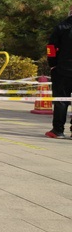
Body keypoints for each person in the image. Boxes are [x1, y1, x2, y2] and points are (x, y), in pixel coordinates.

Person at [46, 8, 72, 139]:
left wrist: (52, 64)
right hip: (63, 68)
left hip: (63, 69)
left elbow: (50, 48)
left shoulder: (61, 27)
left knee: (61, 100)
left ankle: (58, 130)